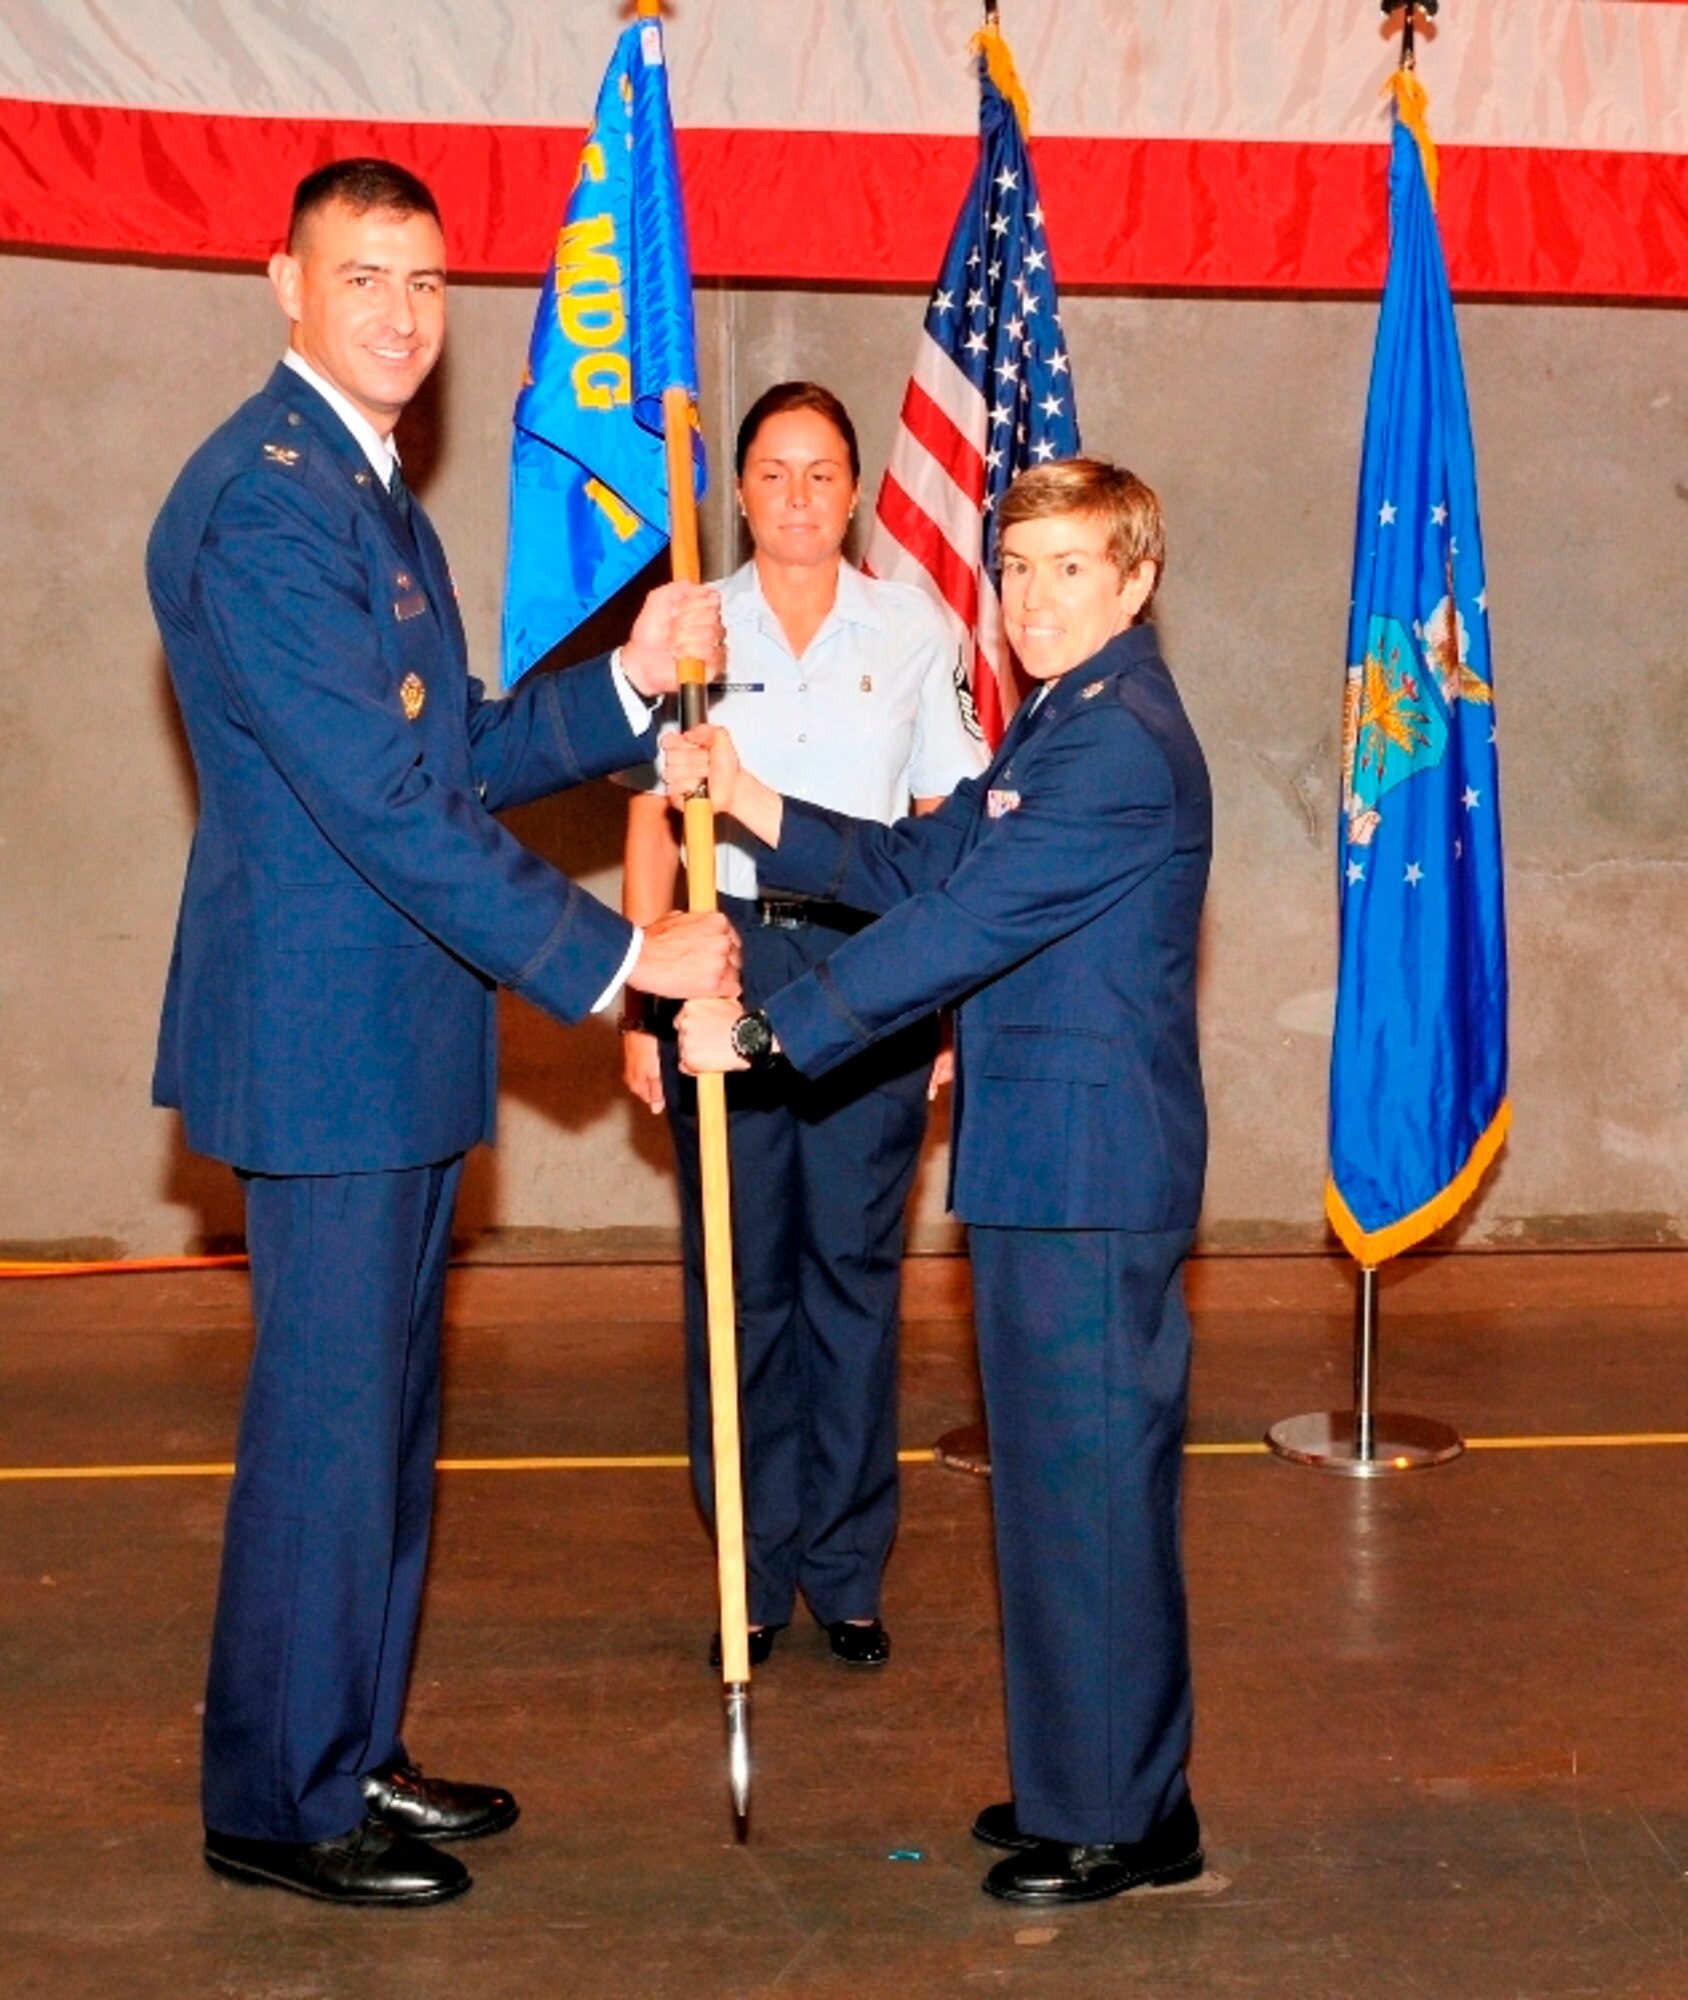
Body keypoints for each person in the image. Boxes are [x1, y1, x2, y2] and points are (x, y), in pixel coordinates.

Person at [146, 158, 738, 1909]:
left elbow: (450, 744)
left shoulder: (362, 489)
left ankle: (347, 1742)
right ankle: (277, 1798)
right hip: (324, 1041)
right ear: (286, 284)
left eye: (426, 282)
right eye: (364, 278)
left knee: (383, 1422)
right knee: (329, 1428)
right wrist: (618, 958)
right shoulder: (267, 504)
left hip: (385, 1035)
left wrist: (625, 687)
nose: (401, 314)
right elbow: (387, 810)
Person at [670, 459, 1212, 1907]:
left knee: (1088, 1496)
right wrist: (756, 798)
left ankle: (1115, 1819)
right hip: (1052, 1162)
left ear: (1136, 581)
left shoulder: (1119, 744)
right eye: (1017, 567)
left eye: (1070, 569)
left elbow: (960, 927)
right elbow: (924, 856)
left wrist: (777, 1025)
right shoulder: (1065, 717)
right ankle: (1096, 1782)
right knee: (1055, 1495)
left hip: (1091, 1173)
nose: (1034, 598)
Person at [620, 382, 984, 1668]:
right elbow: (652, 816)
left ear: (851, 487)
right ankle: (753, 1566)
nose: (795, 498)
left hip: (875, 961)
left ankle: (843, 1563)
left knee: (853, 1279)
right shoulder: (691, 624)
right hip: (725, 961)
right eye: (770, 473)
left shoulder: (914, 622)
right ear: (736, 491)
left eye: (820, 472)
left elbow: (946, 828)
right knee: (739, 1284)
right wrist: (638, 999)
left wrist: (938, 1002)